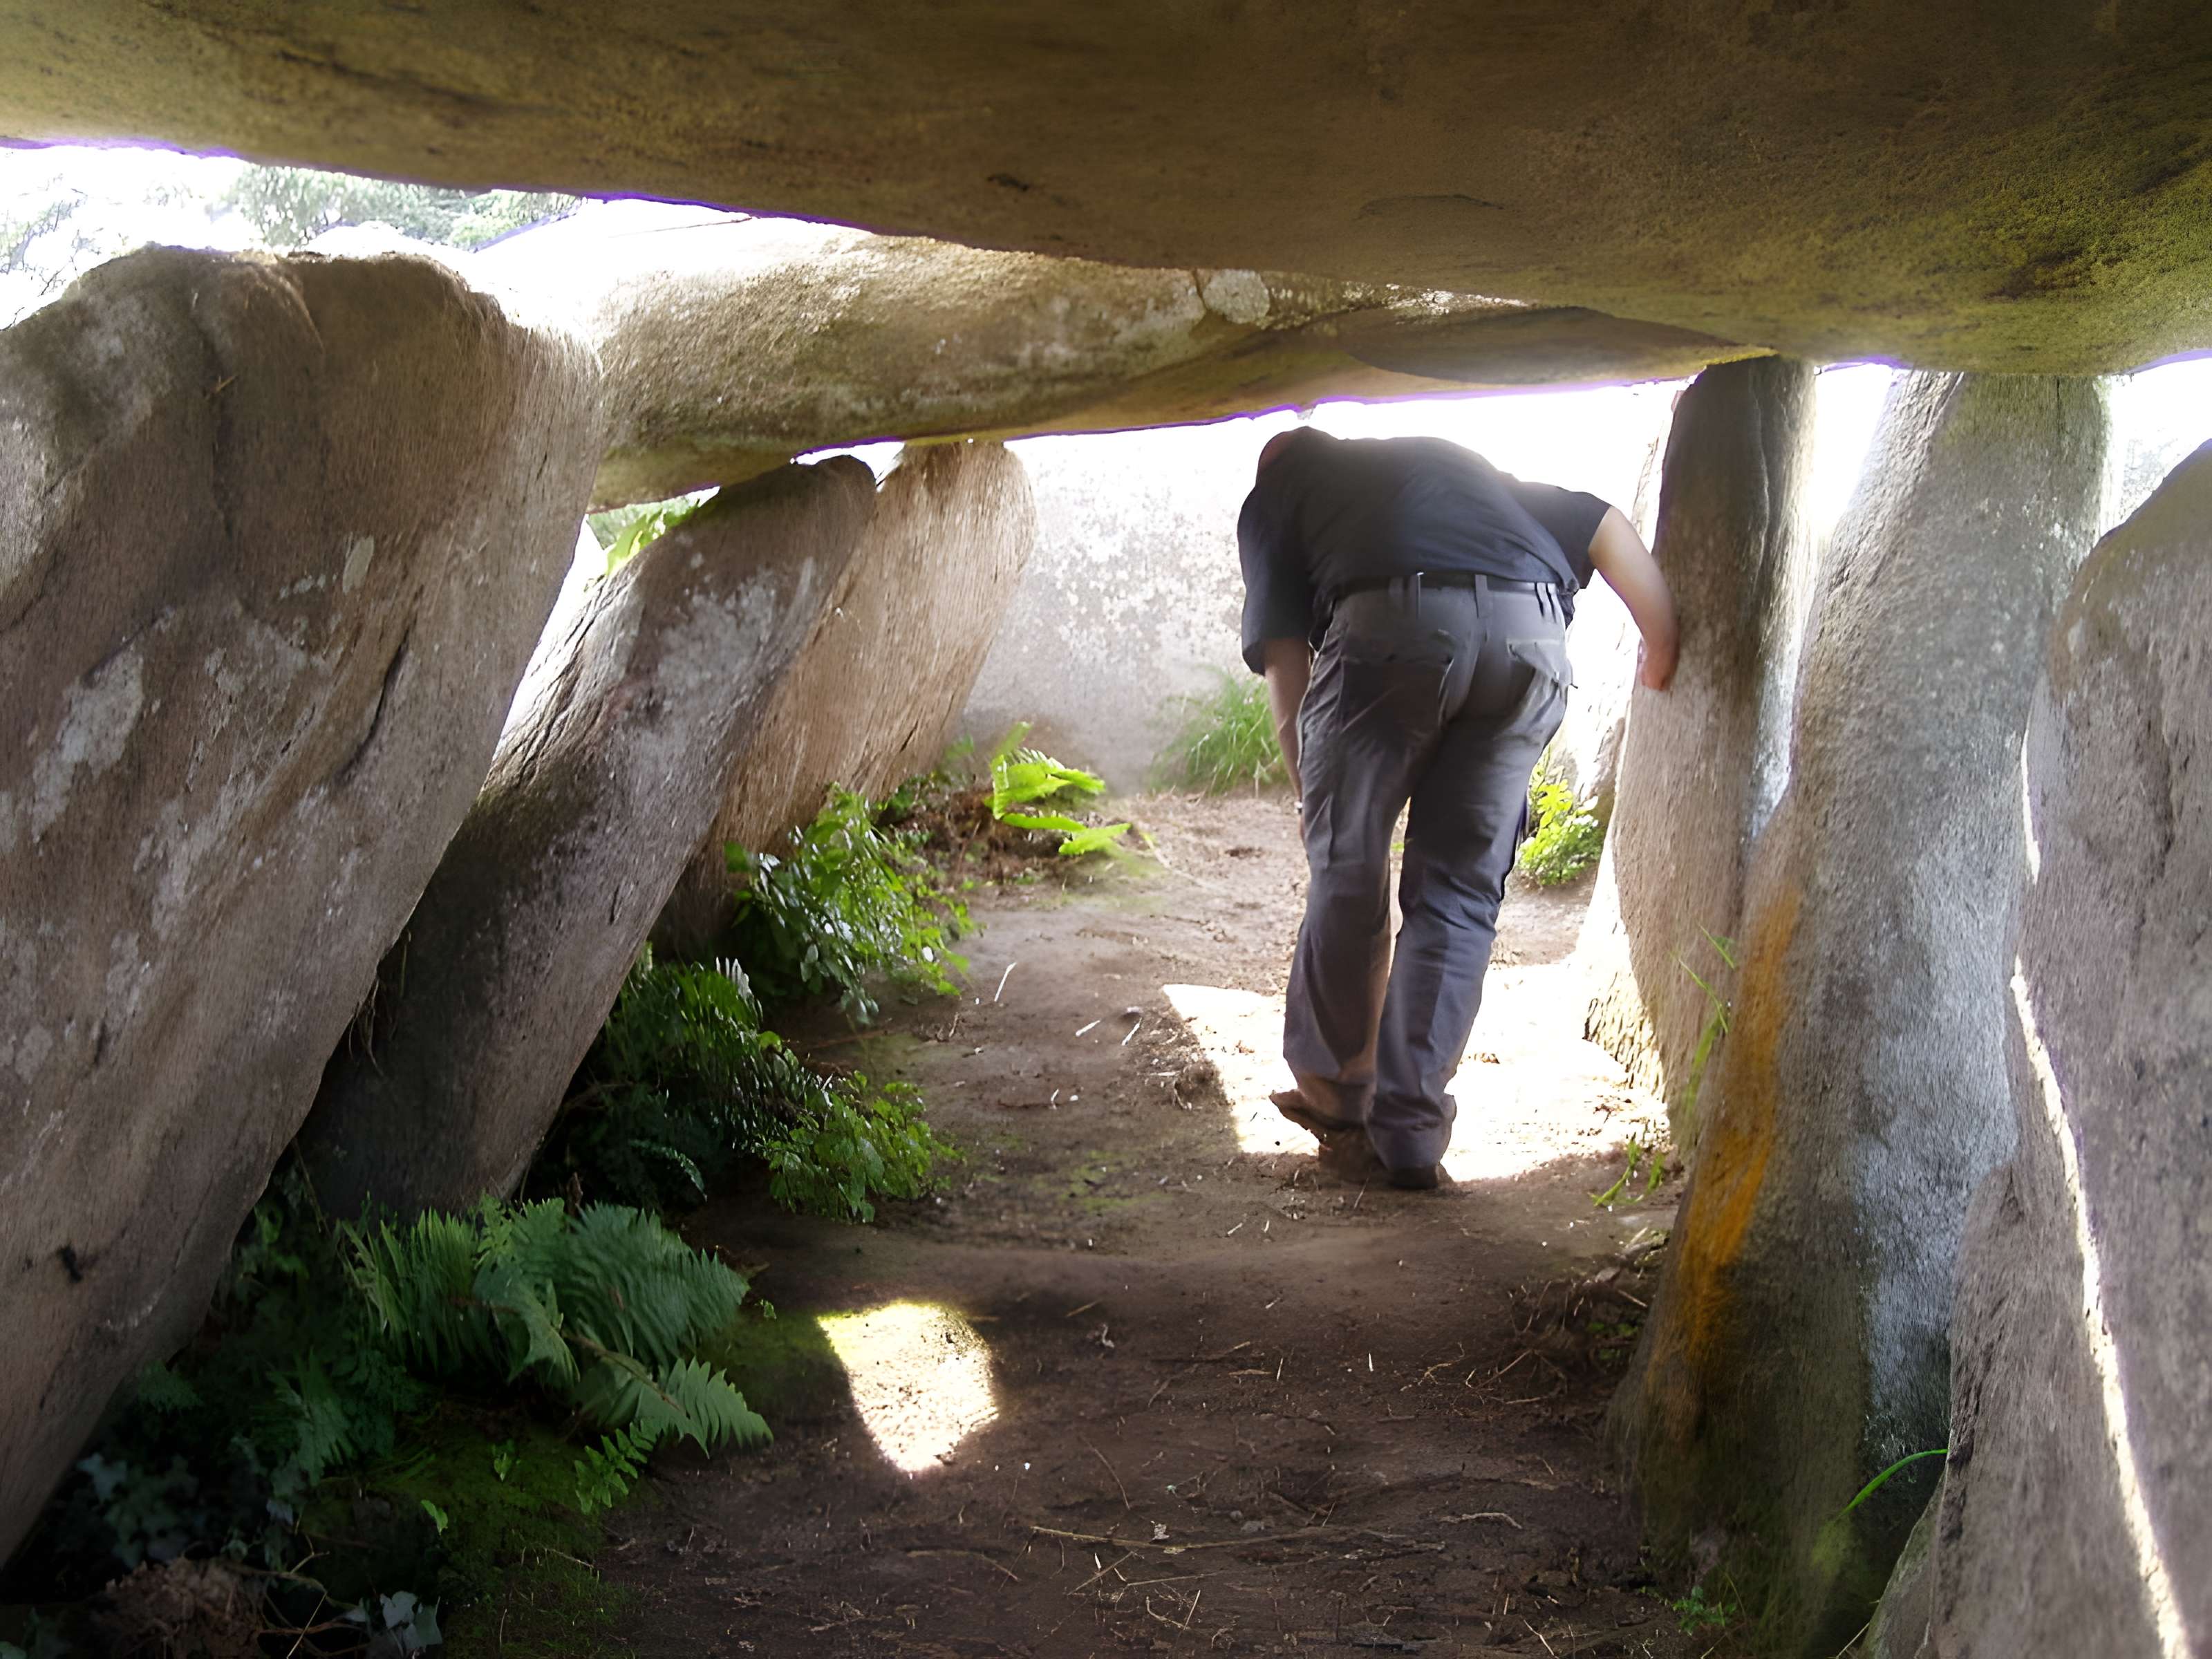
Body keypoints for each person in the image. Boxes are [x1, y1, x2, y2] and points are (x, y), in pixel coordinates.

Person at [1239, 426, 1678, 1190]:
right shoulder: (1451, 474)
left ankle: (1337, 1093)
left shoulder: (1280, 487)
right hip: (1529, 638)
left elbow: (1285, 662)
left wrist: (1315, 793)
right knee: (1458, 894)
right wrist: (1659, 637)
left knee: (1348, 867)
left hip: (1392, 632)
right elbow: (1598, 520)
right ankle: (1408, 1136)